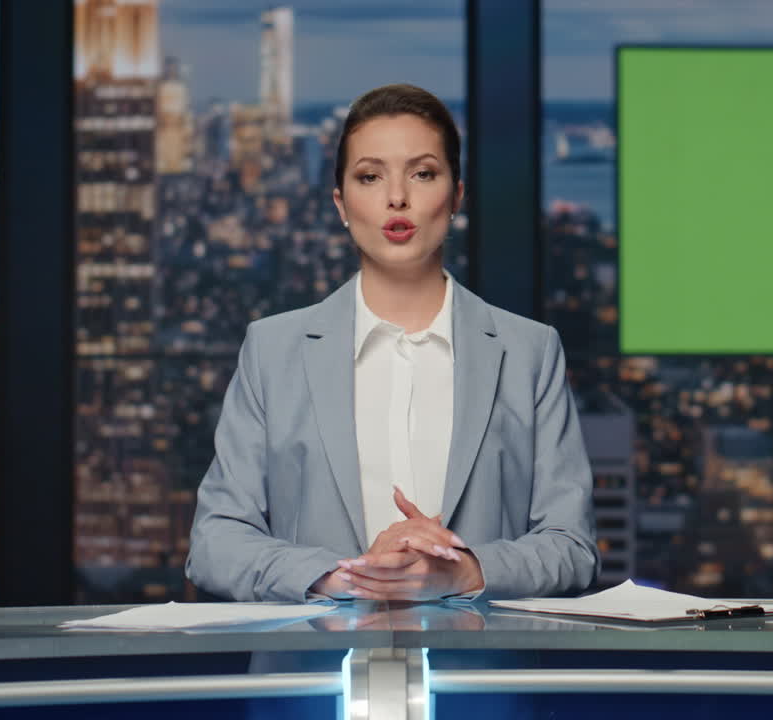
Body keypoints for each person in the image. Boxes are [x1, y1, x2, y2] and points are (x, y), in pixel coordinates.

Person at [186, 84, 598, 603]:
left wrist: (466, 572)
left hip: (483, 673)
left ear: (457, 197)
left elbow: (572, 546)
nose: (396, 197)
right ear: (341, 202)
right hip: (311, 670)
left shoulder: (530, 351)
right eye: (369, 176)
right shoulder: (272, 351)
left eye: (423, 173)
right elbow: (214, 542)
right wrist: (350, 578)